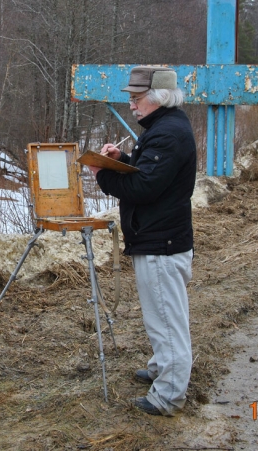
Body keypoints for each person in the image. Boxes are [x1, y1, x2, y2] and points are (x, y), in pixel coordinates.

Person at [87, 66, 196, 416]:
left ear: (158, 97)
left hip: (161, 243)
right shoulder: (164, 128)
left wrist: (103, 173)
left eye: (136, 98)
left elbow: (146, 187)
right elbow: (150, 172)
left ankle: (168, 395)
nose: (132, 105)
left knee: (166, 320)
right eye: (131, 98)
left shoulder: (168, 134)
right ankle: (162, 368)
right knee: (159, 317)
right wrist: (124, 161)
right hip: (157, 239)